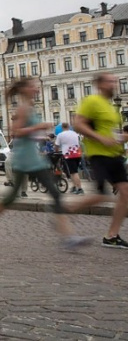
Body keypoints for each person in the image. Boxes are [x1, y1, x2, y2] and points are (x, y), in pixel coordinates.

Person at [0, 78, 91, 250]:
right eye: (32, 86)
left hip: (32, 157)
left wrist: (40, 134)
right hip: (26, 159)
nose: (36, 88)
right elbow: (16, 132)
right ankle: (68, 236)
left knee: (16, 196)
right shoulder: (23, 109)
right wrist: (40, 126)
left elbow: (27, 134)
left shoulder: (30, 107)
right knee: (52, 194)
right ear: (24, 90)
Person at [66, 72, 128, 249]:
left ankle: (111, 236)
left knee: (125, 193)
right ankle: (64, 212)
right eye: (110, 81)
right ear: (100, 84)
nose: (114, 83)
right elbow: (78, 124)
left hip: (115, 155)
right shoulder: (91, 101)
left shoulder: (111, 106)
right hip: (99, 155)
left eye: (114, 80)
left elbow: (110, 132)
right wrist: (100, 138)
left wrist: (121, 139)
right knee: (101, 195)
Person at [56, 122, 84, 195]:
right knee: (72, 172)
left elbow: (56, 145)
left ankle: (80, 189)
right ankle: (74, 187)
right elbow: (79, 142)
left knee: (74, 172)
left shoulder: (60, 135)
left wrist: (56, 150)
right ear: (69, 126)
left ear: (62, 127)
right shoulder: (75, 134)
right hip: (77, 153)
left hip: (69, 155)